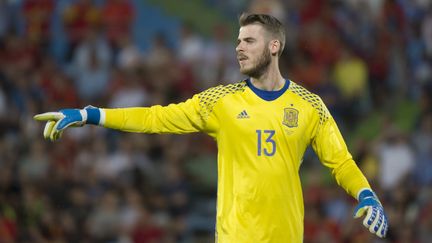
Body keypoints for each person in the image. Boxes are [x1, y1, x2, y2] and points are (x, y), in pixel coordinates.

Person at [34, 13, 388, 243]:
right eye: (237, 41)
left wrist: (366, 194)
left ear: (274, 46)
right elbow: (157, 118)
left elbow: (340, 162)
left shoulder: (310, 106)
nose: (239, 48)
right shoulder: (221, 101)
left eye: (249, 41)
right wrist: (91, 114)